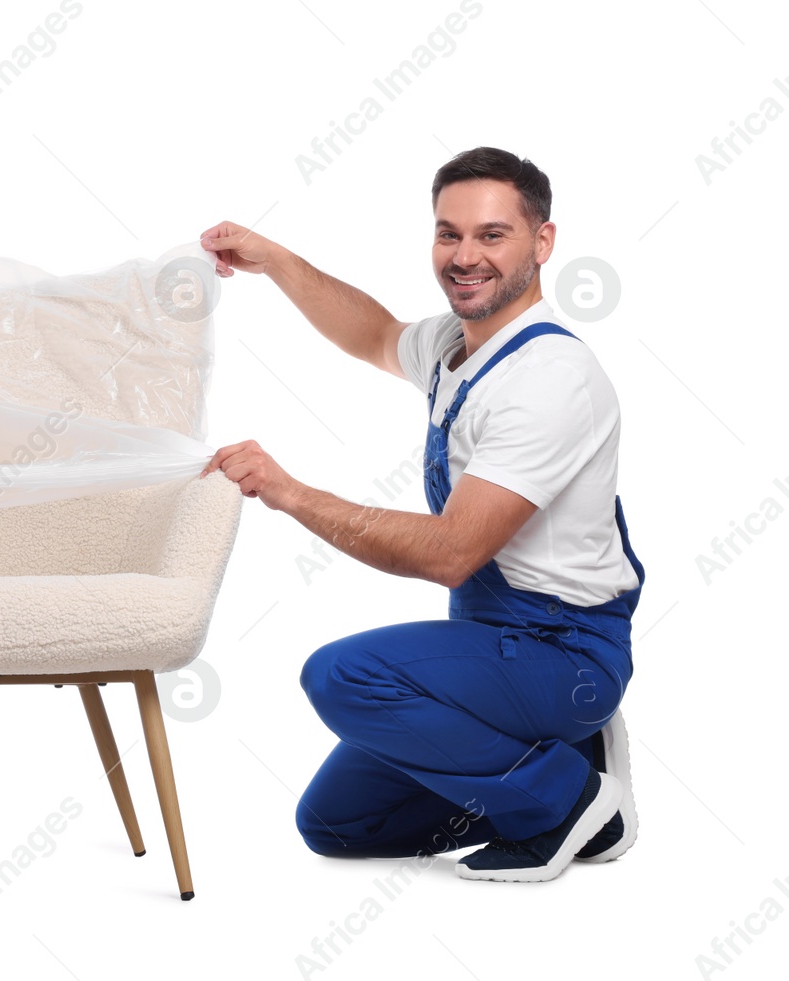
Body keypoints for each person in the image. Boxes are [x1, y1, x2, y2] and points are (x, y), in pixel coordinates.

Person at [199, 146, 644, 882]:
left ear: (543, 242)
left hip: (564, 652)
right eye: (449, 233)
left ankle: (569, 801)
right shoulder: (454, 345)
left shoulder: (549, 378)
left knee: (342, 676)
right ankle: (556, 757)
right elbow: (371, 334)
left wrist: (292, 492)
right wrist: (272, 257)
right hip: (491, 645)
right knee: (338, 823)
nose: (465, 256)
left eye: (492, 235)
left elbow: (450, 554)